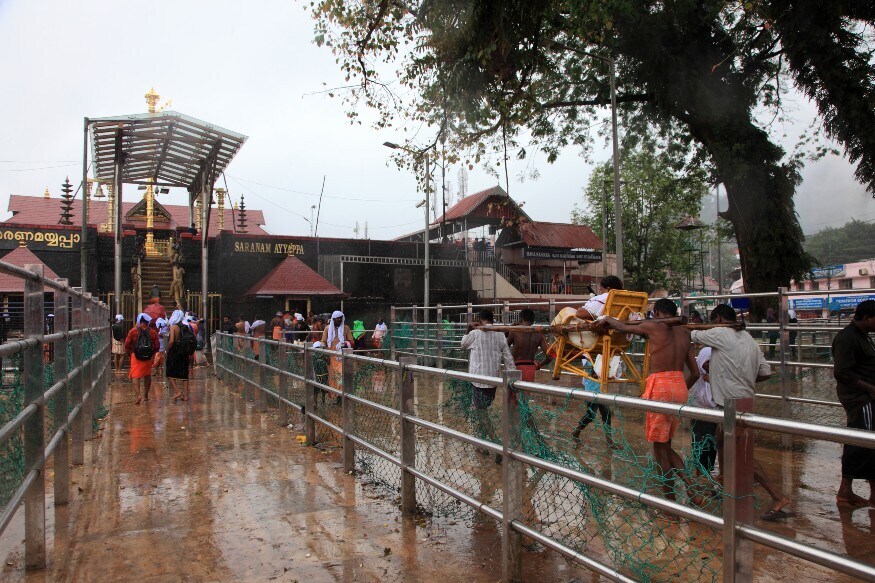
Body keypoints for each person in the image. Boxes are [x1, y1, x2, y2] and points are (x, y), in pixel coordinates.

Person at [691, 303, 791, 519]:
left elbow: (694, 334)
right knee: (721, 439)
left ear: (717, 319)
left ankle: (776, 496)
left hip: (731, 401)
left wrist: (732, 378)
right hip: (744, 398)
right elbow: (765, 372)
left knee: (740, 451)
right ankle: (727, 480)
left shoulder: (721, 333)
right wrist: (741, 376)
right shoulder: (749, 339)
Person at [600, 298, 700, 506]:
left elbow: (622, 326)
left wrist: (606, 318)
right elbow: (696, 373)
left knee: (659, 449)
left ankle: (673, 501)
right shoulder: (685, 333)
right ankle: (688, 489)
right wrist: (677, 390)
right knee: (665, 444)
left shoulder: (654, 326)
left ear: (657, 313)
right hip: (679, 386)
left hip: (660, 385)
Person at [831, 299, 875, 506]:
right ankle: (845, 490)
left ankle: (850, 489)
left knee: (865, 441)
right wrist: (870, 388)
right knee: (860, 441)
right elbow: (841, 372)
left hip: (866, 397)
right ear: (866, 318)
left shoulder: (863, 336)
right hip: (859, 398)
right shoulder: (847, 339)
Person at [460, 309, 517, 456]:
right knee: (482, 412)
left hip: (478, 380)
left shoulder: (474, 334)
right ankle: (483, 445)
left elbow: (462, 345)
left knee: (481, 413)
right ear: (493, 320)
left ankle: (496, 444)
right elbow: (508, 358)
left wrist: (468, 328)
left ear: (479, 320)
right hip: (493, 381)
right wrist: (514, 379)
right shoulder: (499, 335)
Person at [571, 358, 615, 447]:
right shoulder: (588, 359)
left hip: (601, 392)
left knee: (607, 415)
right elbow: (594, 374)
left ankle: (610, 442)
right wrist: (608, 373)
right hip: (591, 391)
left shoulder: (601, 358)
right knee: (591, 415)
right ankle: (575, 433)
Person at [689, 343, 718, 474]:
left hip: (714, 413)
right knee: (698, 442)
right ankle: (698, 471)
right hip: (698, 411)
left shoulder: (718, 376)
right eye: (707, 362)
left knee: (711, 445)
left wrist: (715, 381)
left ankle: (709, 471)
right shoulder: (695, 375)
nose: (709, 365)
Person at [506, 309, 551, 382]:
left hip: (515, 367)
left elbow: (504, 348)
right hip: (530, 368)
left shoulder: (514, 331)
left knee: (512, 391)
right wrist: (538, 365)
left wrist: (510, 327)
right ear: (533, 321)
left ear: (521, 319)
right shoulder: (539, 335)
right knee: (526, 393)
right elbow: (550, 357)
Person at [124, 313, 159, 405]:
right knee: (147, 375)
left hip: (136, 356)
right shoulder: (152, 332)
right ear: (148, 322)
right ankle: (146, 395)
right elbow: (157, 345)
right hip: (148, 357)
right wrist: (152, 354)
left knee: (135, 376)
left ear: (139, 321)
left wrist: (129, 353)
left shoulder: (133, 331)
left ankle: (138, 395)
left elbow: (127, 344)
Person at [321, 310, 353, 394]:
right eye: (337, 318)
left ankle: (341, 395)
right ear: (333, 319)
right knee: (332, 376)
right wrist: (324, 349)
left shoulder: (346, 328)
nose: (339, 320)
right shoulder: (327, 328)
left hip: (342, 355)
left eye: (340, 318)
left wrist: (344, 343)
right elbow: (323, 341)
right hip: (331, 355)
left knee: (341, 375)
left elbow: (351, 341)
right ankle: (335, 395)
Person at [165, 310, 191, 402]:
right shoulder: (186, 326)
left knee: (169, 372)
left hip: (175, 351)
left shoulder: (173, 327)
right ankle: (186, 395)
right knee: (184, 374)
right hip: (185, 352)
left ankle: (177, 391)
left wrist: (167, 350)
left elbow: (171, 340)